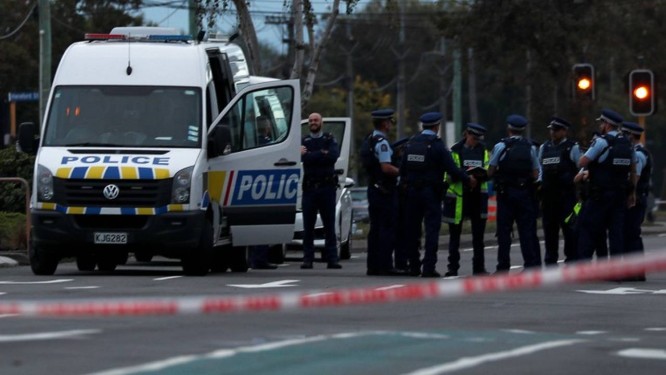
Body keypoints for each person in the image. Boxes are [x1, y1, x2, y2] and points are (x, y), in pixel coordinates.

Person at [401, 112, 476, 278]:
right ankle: (428, 267)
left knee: (412, 230)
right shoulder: (437, 145)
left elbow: (403, 169)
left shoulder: (411, 143)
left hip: (412, 193)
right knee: (431, 231)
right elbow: (452, 168)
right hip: (430, 193)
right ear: (436, 127)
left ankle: (413, 266)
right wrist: (467, 179)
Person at [577, 108, 636, 261]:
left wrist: (587, 154)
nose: (600, 126)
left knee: (588, 228)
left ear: (607, 124)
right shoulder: (628, 144)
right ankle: (615, 270)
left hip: (600, 195)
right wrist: (632, 193)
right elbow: (633, 171)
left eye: (602, 123)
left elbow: (582, 162)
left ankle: (584, 266)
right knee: (616, 232)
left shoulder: (601, 142)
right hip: (619, 195)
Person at [488, 114, 541, 272]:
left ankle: (503, 267)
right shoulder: (530, 147)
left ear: (508, 129)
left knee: (504, 232)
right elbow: (535, 173)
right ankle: (530, 266)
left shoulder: (501, 146)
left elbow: (490, 170)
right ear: (522, 130)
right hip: (524, 193)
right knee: (525, 231)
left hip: (506, 194)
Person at [442, 122, 490, 276]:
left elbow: (489, 170)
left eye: (478, 138)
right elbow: (449, 174)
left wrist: (478, 177)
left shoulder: (483, 151)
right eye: (474, 138)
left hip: (477, 197)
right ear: (467, 134)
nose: (476, 141)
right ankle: (452, 268)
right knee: (454, 237)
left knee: (478, 237)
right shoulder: (455, 150)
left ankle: (479, 267)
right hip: (459, 198)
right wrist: (466, 178)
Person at [360, 108, 402, 276]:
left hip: (374, 188)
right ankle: (385, 265)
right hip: (384, 191)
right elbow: (385, 167)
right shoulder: (382, 143)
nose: (391, 125)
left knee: (375, 229)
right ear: (385, 123)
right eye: (390, 122)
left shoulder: (369, 139)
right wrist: (401, 171)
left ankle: (373, 265)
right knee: (386, 229)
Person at [300, 112, 342, 270]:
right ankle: (307, 259)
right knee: (308, 226)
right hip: (310, 188)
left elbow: (333, 156)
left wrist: (312, 155)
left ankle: (332, 259)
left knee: (329, 225)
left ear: (321, 122)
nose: (313, 122)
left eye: (316, 120)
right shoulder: (304, 140)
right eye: (310, 120)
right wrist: (321, 154)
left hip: (326, 188)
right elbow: (304, 159)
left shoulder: (329, 139)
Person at [538, 116, 581, 265]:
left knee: (570, 230)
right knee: (550, 230)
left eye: (556, 130)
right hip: (549, 196)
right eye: (551, 130)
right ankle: (550, 260)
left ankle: (571, 260)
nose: (553, 133)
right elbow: (540, 170)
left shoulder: (572, 147)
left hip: (567, 196)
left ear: (564, 131)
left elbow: (580, 168)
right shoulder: (544, 147)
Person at [621, 121, 651, 281]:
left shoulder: (638, 154)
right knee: (630, 235)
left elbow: (635, 179)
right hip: (638, 198)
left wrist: (629, 195)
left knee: (631, 235)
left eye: (625, 134)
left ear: (631, 135)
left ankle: (635, 272)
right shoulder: (639, 152)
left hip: (635, 200)